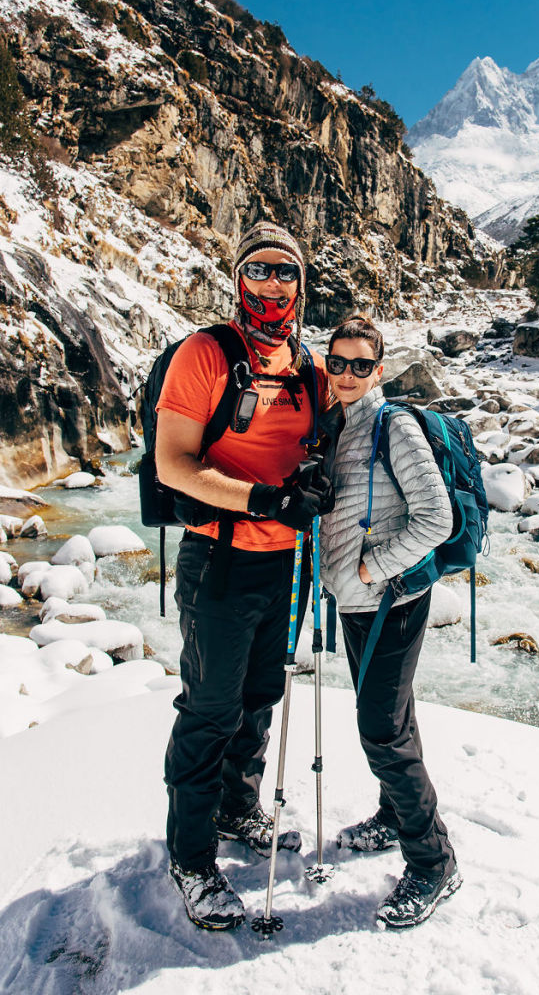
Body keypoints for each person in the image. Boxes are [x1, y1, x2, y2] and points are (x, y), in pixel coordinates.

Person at [155, 221, 331, 930]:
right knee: (210, 708)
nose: (272, 285)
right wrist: (262, 498)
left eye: (285, 272)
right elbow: (175, 462)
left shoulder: (307, 366)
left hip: (286, 564)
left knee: (260, 695)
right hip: (220, 558)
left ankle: (237, 809)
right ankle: (191, 856)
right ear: (237, 279)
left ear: (300, 283)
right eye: (258, 270)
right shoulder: (207, 354)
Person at [319, 316, 461, 930]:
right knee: (392, 717)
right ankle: (392, 813)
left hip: (392, 601)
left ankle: (433, 861)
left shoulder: (391, 425)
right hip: (358, 601)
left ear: (378, 370)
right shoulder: (340, 425)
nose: (347, 375)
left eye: (359, 365)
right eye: (337, 363)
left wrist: (373, 568)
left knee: (380, 728)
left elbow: (438, 518)